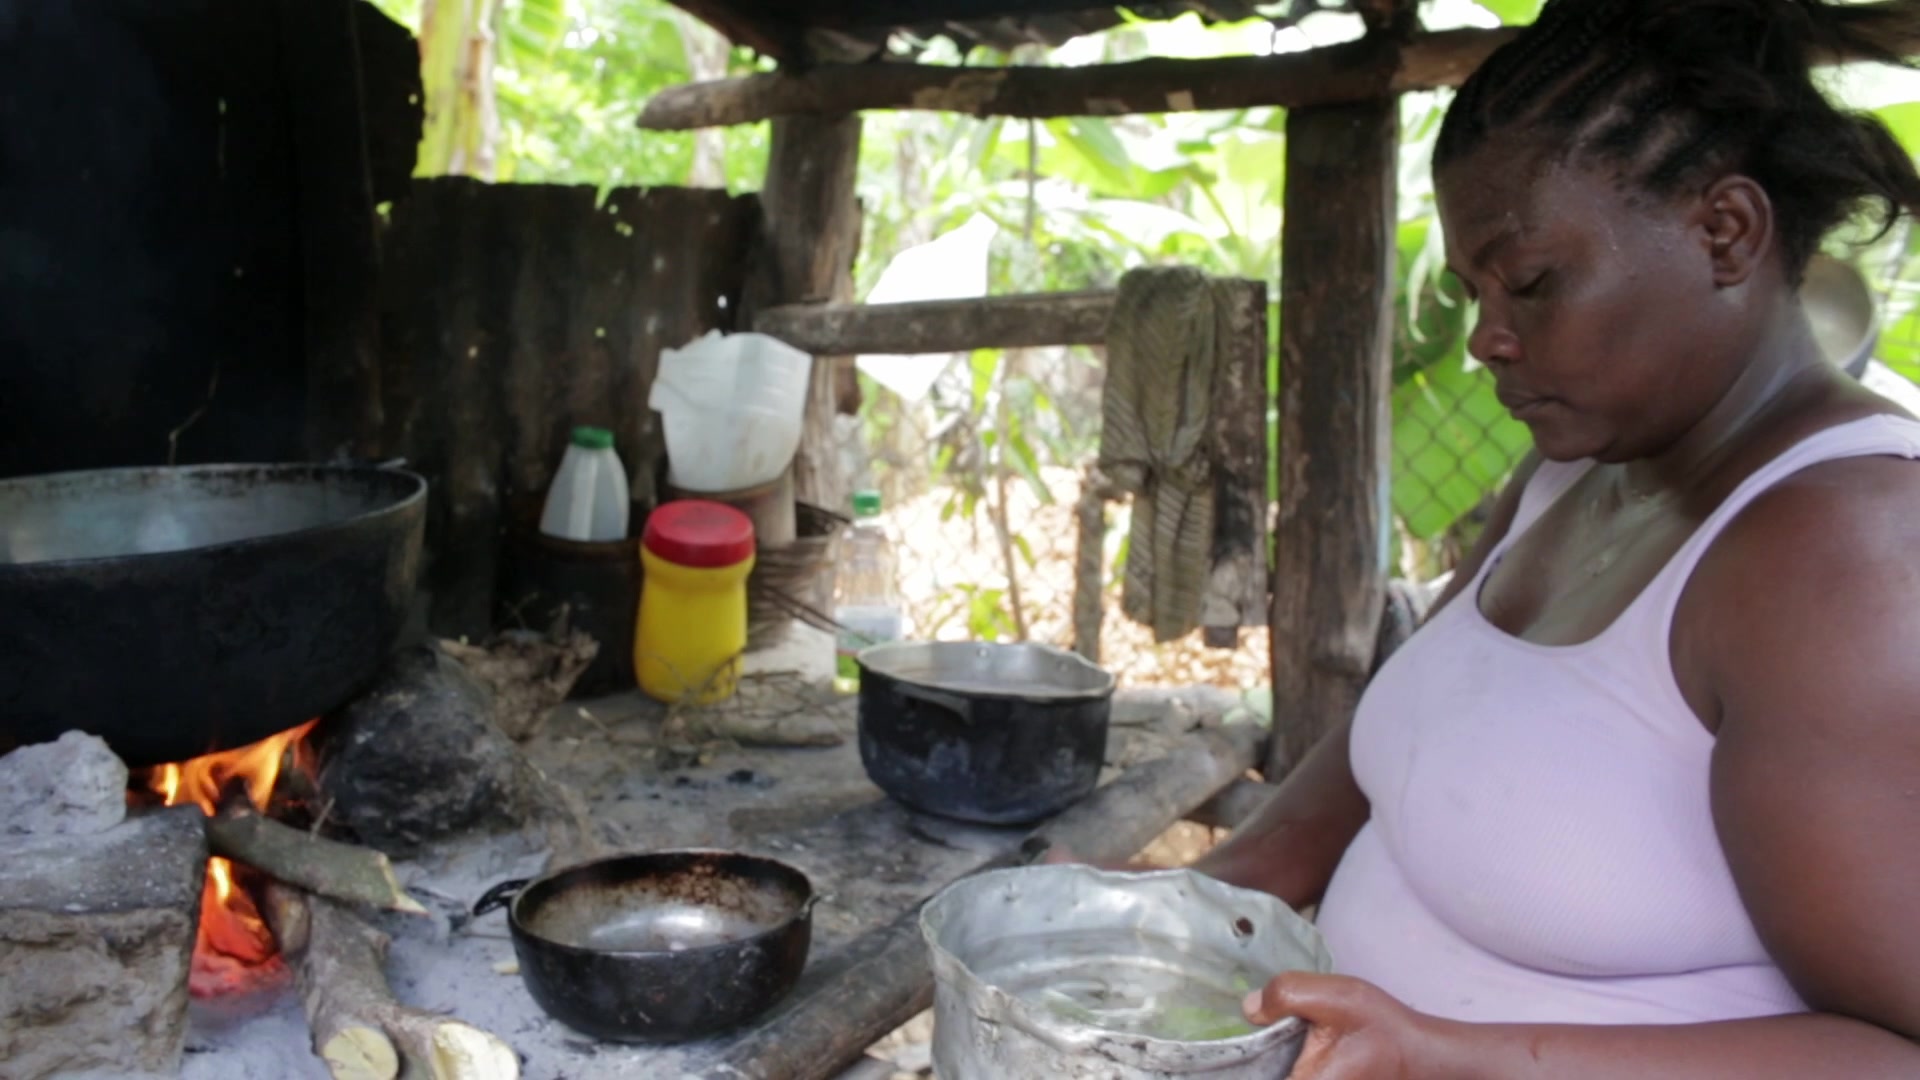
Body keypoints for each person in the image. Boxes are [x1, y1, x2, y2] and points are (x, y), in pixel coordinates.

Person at [1068, 1, 1920, 1075]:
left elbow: (1898, 1050)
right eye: (1475, 291)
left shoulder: (1842, 557)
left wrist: (1448, 1052)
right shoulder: (1581, 465)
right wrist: (1162, 910)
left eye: (1531, 282)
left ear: (1725, 233)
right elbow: (1392, 758)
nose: (1484, 336)